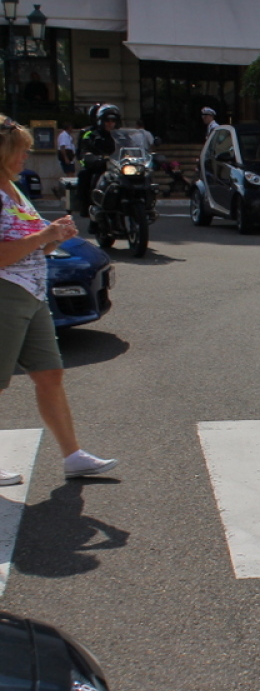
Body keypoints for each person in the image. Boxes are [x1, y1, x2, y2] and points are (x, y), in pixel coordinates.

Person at [0, 115, 118, 486]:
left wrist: (56, 237)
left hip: (32, 293)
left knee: (50, 374)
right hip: (6, 292)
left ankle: (73, 457)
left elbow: (35, 244)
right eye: (20, 152)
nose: (25, 159)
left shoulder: (14, 189)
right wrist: (44, 236)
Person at [76, 104, 120, 219]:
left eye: (113, 120)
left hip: (118, 167)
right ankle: (88, 207)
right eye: (107, 120)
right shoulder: (90, 134)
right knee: (85, 175)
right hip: (99, 166)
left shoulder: (120, 135)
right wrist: (91, 158)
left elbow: (131, 147)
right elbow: (83, 150)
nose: (110, 123)